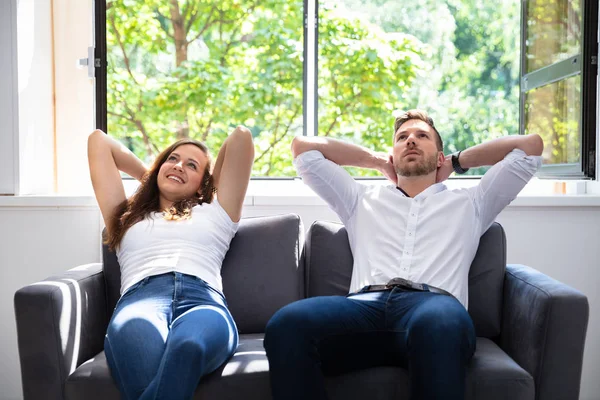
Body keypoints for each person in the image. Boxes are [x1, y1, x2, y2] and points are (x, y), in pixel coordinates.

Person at [264, 109, 544, 400]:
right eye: (402, 138)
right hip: (364, 309)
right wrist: (376, 162)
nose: (411, 140)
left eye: (422, 136)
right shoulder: (360, 199)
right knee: (287, 325)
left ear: (439, 156)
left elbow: (530, 147)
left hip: (433, 307)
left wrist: (457, 162)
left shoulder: (472, 202)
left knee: (439, 324)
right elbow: (303, 149)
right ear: (393, 154)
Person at [87, 125, 254, 400]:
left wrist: (199, 183)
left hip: (203, 302)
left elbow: (241, 137)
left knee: (187, 346)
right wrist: (152, 177)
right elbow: (98, 141)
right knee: (145, 375)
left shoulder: (218, 211)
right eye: (172, 159)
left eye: (191, 165)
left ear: (204, 182)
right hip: (140, 302)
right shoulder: (126, 216)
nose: (178, 166)